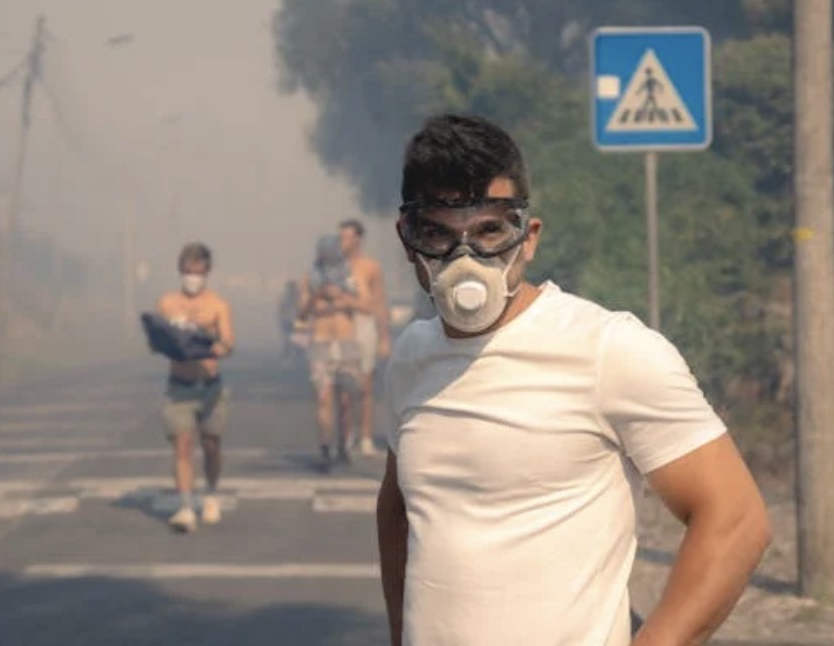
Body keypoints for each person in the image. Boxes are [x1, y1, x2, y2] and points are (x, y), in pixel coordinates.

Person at [376, 114, 772, 646]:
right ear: (408, 241)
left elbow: (736, 518)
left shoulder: (607, 350)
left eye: (491, 230)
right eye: (439, 235)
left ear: (529, 237)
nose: (465, 259)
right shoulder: (410, 359)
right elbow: (399, 507)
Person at [155, 242, 234, 533]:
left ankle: (211, 494)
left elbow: (228, 342)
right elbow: (159, 338)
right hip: (179, 386)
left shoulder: (217, 305)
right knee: (183, 444)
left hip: (209, 386)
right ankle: (186, 506)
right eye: (187, 272)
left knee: (211, 444)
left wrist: (210, 345)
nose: (192, 277)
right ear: (180, 271)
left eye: (197, 272)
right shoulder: (167, 303)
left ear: (207, 272)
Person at [299, 234, 372, 472]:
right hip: (321, 342)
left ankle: (344, 445)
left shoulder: (350, 276)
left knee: (346, 399)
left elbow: (366, 305)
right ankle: (326, 446)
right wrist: (316, 296)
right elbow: (301, 313)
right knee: (323, 398)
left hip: (346, 343)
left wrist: (342, 297)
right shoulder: (310, 278)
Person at [339, 219, 391, 456]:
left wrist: (384, 337)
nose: (343, 242)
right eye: (341, 237)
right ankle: (346, 435)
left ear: (358, 239)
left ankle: (366, 437)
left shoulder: (370, 267)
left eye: (348, 237)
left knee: (365, 386)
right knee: (344, 388)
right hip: (341, 327)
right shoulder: (334, 267)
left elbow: (379, 302)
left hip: (364, 325)